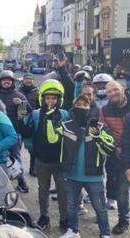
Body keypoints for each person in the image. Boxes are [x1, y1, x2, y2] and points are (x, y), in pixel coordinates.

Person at [58, 95, 114, 238]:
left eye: (85, 104)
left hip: (94, 176)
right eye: (78, 104)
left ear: (91, 107)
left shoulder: (100, 127)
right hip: (71, 175)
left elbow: (108, 149)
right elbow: (52, 140)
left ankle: (105, 233)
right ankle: (73, 231)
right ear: (73, 106)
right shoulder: (65, 125)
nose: (81, 106)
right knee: (71, 206)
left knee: (100, 208)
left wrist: (97, 137)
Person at [18, 79, 69, 231]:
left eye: (54, 98)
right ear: (42, 98)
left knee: (63, 191)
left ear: (59, 99)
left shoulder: (64, 114)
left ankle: (64, 218)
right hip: (42, 160)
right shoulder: (35, 114)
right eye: (47, 98)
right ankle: (44, 216)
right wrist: (21, 120)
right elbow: (27, 132)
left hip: (60, 161)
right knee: (43, 190)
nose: (50, 101)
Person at [99, 80, 130, 234]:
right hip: (116, 153)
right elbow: (104, 130)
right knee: (121, 190)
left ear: (122, 89)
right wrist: (114, 147)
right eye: (109, 91)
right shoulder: (105, 110)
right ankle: (124, 220)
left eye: (115, 89)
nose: (112, 93)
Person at [0, 70, 30, 193]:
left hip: (14, 132)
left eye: (9, 80)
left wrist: (22, 104)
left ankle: (22, 183)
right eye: (4, 80)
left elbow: (26, 113)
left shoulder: (19, 95)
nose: (6, 82)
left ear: (12, 82)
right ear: (0, 82)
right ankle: (1, 183)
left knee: (16, 158)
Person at [18, 72, 39, 176]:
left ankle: (33, 168)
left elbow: (40, 107)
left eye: (30, 79)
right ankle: (16, 170)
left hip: (31, 122)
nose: (28, 80)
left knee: (33, 147)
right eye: (26, 79)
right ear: (23, 80)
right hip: (19, 121)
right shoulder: (18, 91)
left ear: (33, 80)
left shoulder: (38, 92)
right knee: (16, 147)